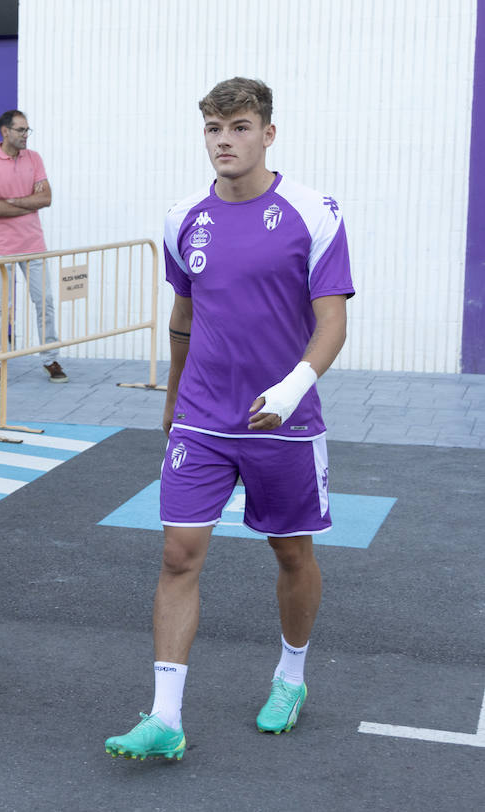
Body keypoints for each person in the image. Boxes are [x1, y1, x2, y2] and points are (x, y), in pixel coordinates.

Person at [104, 78, 354, 761]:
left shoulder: (312, 212)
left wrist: (294, 386)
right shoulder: (183, 216)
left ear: (267, 134)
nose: (224, 140)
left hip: (284, 424)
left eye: (239, 127)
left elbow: (332, 321)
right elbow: (184, 316)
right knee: (178, 555)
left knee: (291, 552)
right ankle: (164, 716)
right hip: (203, 420)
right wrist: (172, 396)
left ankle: (291, 677)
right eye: (214, 128)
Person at [0, 109, 66, 384]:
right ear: (6, 132)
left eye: (28, 130)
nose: (26, 135)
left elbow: (47, 198)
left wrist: (10, 202)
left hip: (33, 244)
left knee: (45, 302)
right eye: (21, 130)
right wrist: (27, 201)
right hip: (0, 247)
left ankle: (50, 359)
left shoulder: (34, 159)